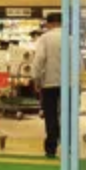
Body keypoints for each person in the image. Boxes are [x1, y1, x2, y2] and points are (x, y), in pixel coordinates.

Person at [33, 12, 63, 158]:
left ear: (49, 24)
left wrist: (36, 78)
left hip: (50, 82)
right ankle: (69, 145)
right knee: (67, 114)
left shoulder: (45, 38)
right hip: (69, 83)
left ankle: (51, 147)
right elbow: (79, 61)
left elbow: (39, 59)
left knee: (51, 115)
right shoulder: (71, 37)